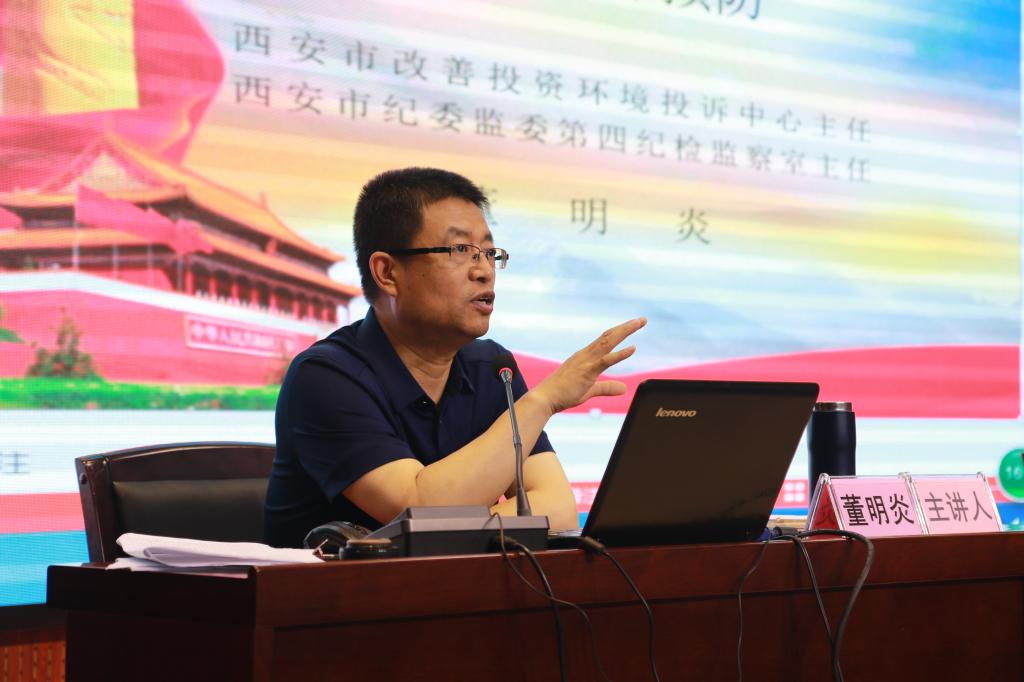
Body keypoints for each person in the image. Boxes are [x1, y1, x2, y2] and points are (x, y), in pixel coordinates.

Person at [264, 167, 644, 548]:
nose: (484, 271)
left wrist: (462, 524)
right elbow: (419, 506)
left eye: (489, 253)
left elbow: (557, 508)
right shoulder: (325, 377)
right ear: (387, 272)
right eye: (460, 250)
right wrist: (542, 402)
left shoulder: (492, 370)